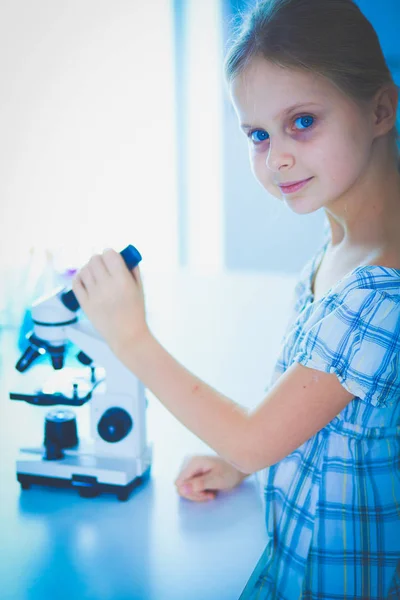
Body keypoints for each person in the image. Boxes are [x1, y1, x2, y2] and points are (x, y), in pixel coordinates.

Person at [71, 0, 400, 597]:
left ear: (380, 108)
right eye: (257, 133)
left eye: (303, 121)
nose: (276, 158)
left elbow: (254, 433)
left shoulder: (380, 292)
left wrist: (130, 338)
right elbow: (318, 423)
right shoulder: (338, 248)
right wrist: (246, 462)